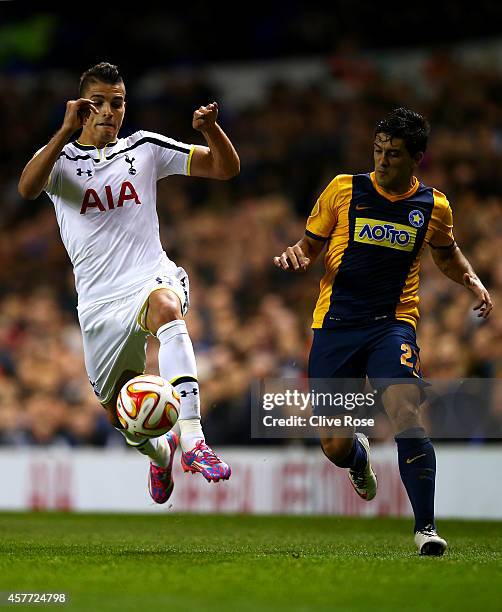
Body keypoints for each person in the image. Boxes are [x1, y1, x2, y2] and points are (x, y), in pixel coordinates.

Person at [273, 107, 493, 555]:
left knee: (405, 409)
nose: (382, 160)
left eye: (393, 153)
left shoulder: (434, 207)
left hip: (392, 325)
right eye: (377, 150)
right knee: (333, 445)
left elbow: (446, 255)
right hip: (335, 326)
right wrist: (295, 255)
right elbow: (309, 246)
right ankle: (357, 458)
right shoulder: (343, 189)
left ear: (417, 158)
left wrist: (470, 279)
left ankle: (426, 528)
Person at [18, 62, 240, 503]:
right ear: (81, 108)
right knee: (121, 415)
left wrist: (212, 130)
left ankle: (193, 437)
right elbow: (26, 189)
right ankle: (162, 457)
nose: (108, 112)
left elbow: (224, 168)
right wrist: (62, 133)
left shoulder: (145, 148)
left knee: (167, 307)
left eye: (116, 103)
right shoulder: (60, 161)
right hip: (98, 304)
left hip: (147, 276)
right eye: (96, 103)